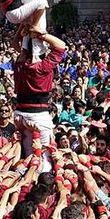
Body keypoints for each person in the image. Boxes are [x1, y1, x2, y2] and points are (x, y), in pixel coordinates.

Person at [13, 30, 67, 169]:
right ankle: (42, 181)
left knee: (26, 154)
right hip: (37, 117)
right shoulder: (42, 67)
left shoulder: (19, 65)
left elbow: (16, 45)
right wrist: (40, 34)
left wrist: (22, 29)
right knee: (44, 156)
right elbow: (61, 45)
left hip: (19, 116)